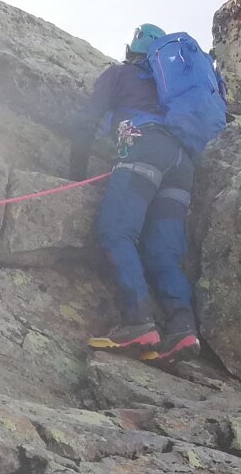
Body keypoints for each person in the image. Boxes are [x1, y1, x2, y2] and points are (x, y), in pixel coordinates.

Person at [68, 23, 228, 361]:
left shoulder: (119, 74)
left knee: (117, 232)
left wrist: (74, 173)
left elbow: (87, 120)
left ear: (132, 49)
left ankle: (138, 322)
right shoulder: (170, 88)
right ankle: (183, 330)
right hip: (182, 162)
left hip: (144, 148)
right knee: (163, 252)